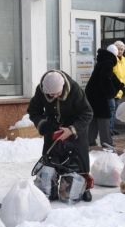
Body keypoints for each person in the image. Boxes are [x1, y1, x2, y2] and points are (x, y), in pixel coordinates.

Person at [28, 70, 94, 201]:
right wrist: (43, 125)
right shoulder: (41, 90)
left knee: (79, 159)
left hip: (75, 126)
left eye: (57, 93)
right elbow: (33, 110)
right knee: (50, 157)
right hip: (52, 127)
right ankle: (49, 188)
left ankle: (83, 187)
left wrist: (71, 130)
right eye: (51, 95)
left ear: (63, 87)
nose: (55, 96)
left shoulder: (75, 89)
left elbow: (87, 113)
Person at [85, 48, 124, 148]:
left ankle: (90, 141)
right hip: (98, 95)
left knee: (94, 116)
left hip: (92, 94)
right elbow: (106, 79)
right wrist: (111, 93)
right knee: (104, 116)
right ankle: (107, 142)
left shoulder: (103, 61)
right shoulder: (108, 62)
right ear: (114, 55)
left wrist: (119, 84)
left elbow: (111, 76)